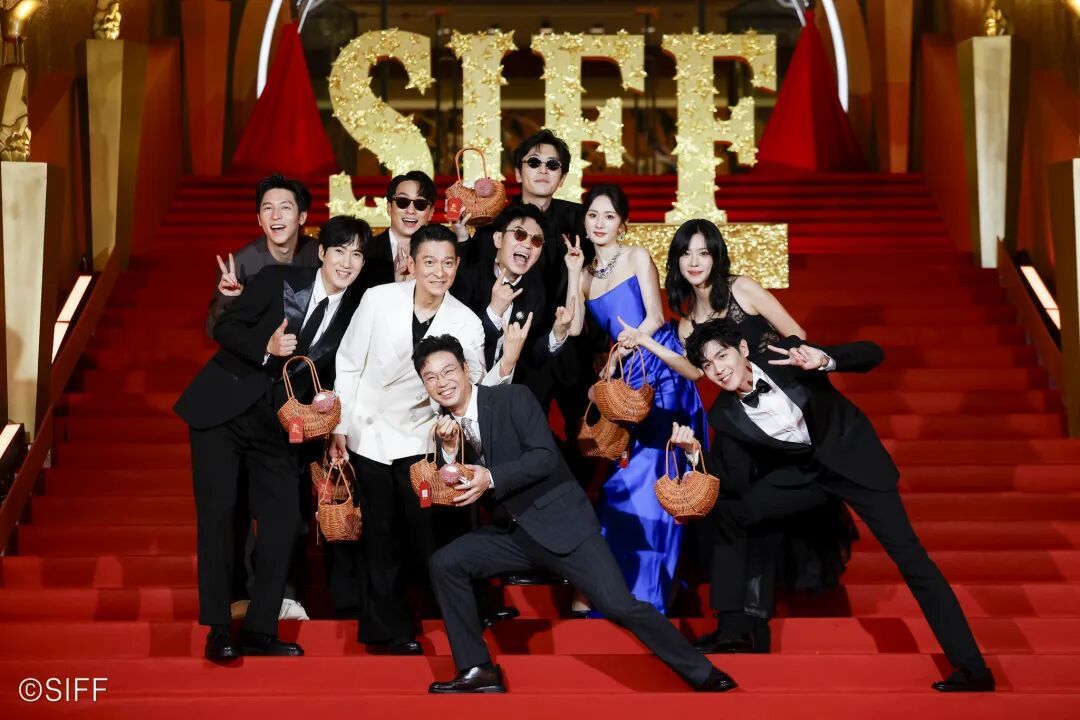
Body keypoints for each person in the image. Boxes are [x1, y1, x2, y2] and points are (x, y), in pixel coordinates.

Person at [672, 320, 995, 692]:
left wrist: (825, 359)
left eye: (722, 356)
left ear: (742, 350)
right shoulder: (723, 415)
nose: (718, 369)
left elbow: (873, 353)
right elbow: (734, 482)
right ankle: (737, 628)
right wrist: (694, 453)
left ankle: (972, 669)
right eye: (707, 365)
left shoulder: (785, 356)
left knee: (912, 559)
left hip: (852, 461)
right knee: (732, 511)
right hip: (801, 477)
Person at [413, 334, 736, 694]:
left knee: (620, 606)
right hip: (514, 534)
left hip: (564, 526)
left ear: (466, 369)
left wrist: (490, 477)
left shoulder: (511, 398)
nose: (442, 382)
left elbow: (544, 457)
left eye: (448, 371)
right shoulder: (444, 431)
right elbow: (458, 487)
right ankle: (478, 669)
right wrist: (449, 452)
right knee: (446, 562)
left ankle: (701, 672)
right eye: (431, 377)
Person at [618, 218, 855, 651]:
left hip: (786, 423)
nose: (694, 261)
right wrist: (648, 342)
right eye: (685, 253)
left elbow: (795, 332)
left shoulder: (742, 289)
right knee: (732, 509)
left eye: (703, 252)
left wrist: (785, 387)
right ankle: (739, 626)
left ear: (716, 256)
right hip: (744, 431)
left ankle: (743, 626)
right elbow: (694, 371)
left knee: (746, 512)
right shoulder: (687, 322)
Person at [174, 215, 371, 662]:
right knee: (220, 520)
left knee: (284, 524)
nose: (347, 261)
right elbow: (225, 329)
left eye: (357, 254)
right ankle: (219, 630)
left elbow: (345, 373)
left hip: (282, 429)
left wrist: (335, 427)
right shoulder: (277, 279)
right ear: (322, 253)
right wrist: (266, 347)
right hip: (223, 414)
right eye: (340, 251)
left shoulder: (357, 313)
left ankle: (260, 629)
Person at [328, 224, 529, 655]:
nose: (439, 272)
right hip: (368, 431)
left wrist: (506, 363)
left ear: (458, 266)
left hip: (422, 436)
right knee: (379, 534)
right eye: (430, 262)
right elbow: (349, 363)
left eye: (447, 263)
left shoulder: (466, 321)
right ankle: (387, 633)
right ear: (412, 263)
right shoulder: (378, 298)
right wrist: (339, 426)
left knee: (424, 534)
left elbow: (474, 386)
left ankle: (453, 615)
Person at [563, 184, 707, 614]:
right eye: (593, 215)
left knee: (659, 472)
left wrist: (629, 345)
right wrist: (573, 272)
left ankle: (651, 593)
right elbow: (574, 329)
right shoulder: (585, 275)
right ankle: (618, 591)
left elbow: (656, 316)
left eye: (609, 216)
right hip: (628, 379)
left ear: (622, 224)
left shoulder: (637, 256)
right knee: (621, 481)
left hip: (661, 370)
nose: (600, 223)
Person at [450, 203, 577, 403]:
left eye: (536, 241)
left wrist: (557, 334)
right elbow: (455, 344)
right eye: (519, 234)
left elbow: (533, 356)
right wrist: (493, 312)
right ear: (498, 239)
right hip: (463, 391)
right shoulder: (469, 276)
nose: (527, 244)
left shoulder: (536, 291)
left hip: (509, 395)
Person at [207, 174, 320, 336]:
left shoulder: (319, 255)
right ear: (259, 219)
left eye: (285, 207)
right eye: (268, 208)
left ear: (302, 217)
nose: (275, 216)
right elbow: (216, 330)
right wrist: (233, 300)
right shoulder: (239, 267)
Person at [358, 170, 437, 288]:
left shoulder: (440, 252)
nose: (410, 211)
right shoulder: (365, 251)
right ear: (389, 207)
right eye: (402, 202)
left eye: (420, 204)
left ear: (431, 212)